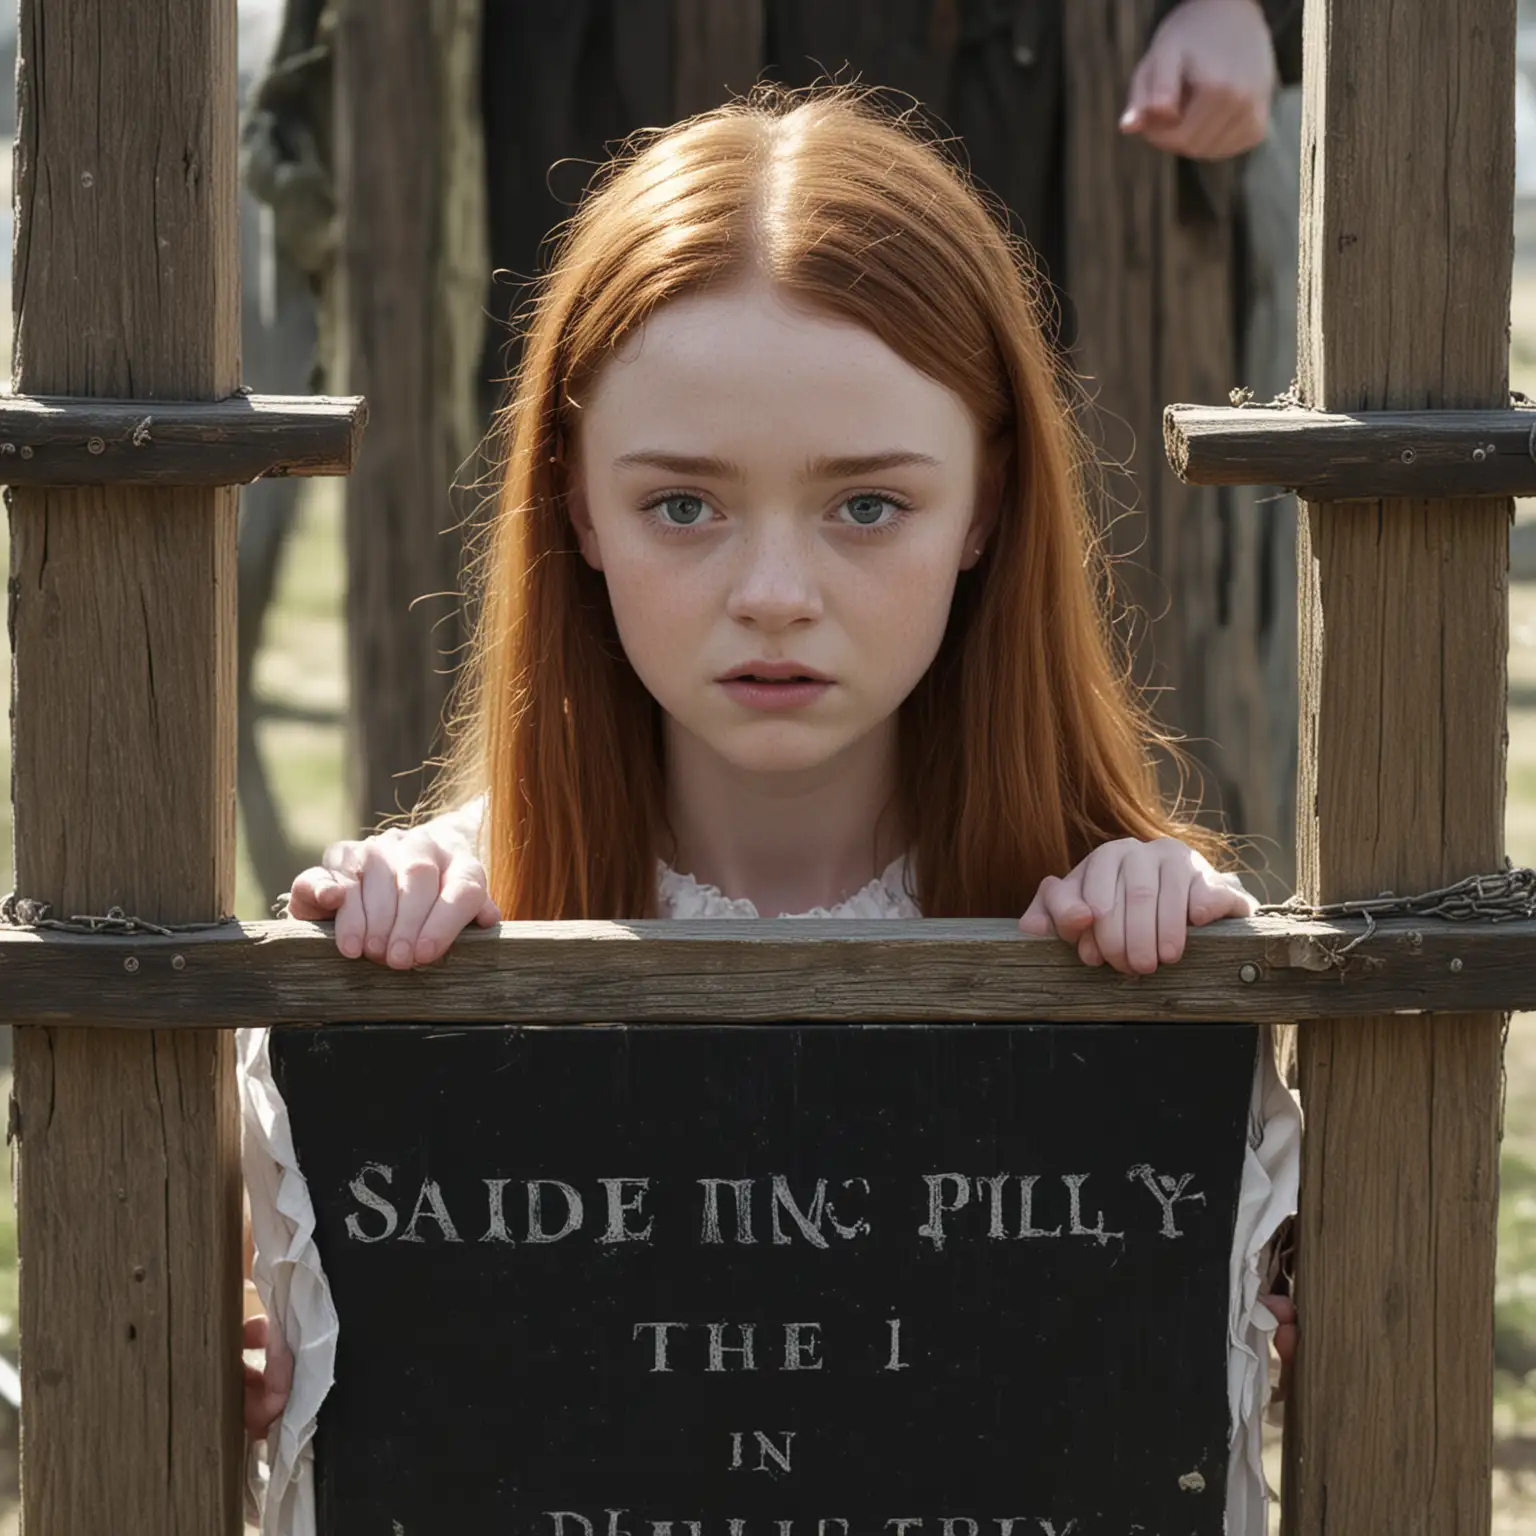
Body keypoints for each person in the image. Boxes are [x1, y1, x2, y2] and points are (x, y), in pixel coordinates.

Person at [239, 85, 1299, 1534]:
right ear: (577, 509)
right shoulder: (433, 934)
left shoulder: (1118, 936)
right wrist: (260, 1353)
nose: (775, 593)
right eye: (685, 504)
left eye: (868, 505)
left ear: (986, 505)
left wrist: (1249, 1292)